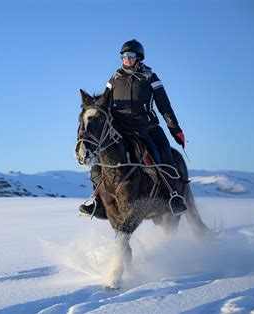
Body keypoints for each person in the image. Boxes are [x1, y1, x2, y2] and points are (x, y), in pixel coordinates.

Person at [79, 39, 188, 218]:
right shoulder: (114, 79)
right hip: (120, 128)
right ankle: (98, 201)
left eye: (131, 56)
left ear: (139, 57)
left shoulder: (150, 77)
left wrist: (175, 129)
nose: (127, 59)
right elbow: (104, 102)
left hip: (147, 126)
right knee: (99, 158)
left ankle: (172, 197)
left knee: (162, 155)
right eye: (124, 56)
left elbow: (165, 106)